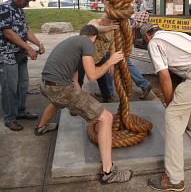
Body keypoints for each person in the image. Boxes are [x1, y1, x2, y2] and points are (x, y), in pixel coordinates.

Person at [34, 24, 132, 185]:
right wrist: (110, 62)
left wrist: (79, 95)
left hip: (46, 85)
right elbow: (92, 76)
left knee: (58, 101)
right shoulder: (87, 43)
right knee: (106, 118)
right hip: (59, 88)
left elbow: (74, 76)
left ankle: (40, 127)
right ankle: (108, 172)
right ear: (93, 37)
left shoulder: (72, 42)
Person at [140, 23, 191, 191]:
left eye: (144, 40)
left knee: (173, 116)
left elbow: (164, 76)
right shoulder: (173, 34)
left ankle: (174, 179)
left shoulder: (154, 43)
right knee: (188, 91)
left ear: (147, 36)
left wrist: (170, 105)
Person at [0, 0, 45, 131]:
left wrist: (38, 43)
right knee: (10, 88)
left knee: (23, 85)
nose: (27, 3)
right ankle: (10, 118)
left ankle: (20, 111)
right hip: (7, 55)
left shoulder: (20, 9)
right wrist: (28, 48)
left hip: (20, 55)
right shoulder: (5, 8)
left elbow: (25, 30)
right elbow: (8, 33)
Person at [79, 14, 152, 101]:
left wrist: (112, 63)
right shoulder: (96, 22)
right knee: (86, 75)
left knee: (112, 68)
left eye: (111, 23)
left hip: (112, 49)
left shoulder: (114, 29)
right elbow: (96, 28)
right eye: (109, 23)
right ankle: (107, 92)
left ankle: (108, 93)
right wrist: (109, 27)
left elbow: (113, 46)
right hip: (93, 54)